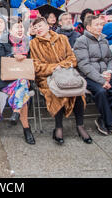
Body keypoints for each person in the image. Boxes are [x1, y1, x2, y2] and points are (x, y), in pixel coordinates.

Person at [29, 17, 92, 145]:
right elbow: (36, 66)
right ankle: (58, 127)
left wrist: (61, 66)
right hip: (46, 77)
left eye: (40, 26)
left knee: (78, 91)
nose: (38, 29)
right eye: (35, 28)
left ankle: (80, 126)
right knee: (55, 92)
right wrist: (54, 68)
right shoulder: (34, 44)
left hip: (67, 73)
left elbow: (72, 58)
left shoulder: (62, 39)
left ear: (48, 26)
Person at [73, 15, 112, 138]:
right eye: (96, 25)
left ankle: (103, 120)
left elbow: (110, 60)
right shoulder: (81, 41)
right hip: (90, 76)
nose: (100, 27)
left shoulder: (104, 40)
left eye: (101, 25)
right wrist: (101, 80)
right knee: (101, 91)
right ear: (88, 27)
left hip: (106, 74)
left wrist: (110, 73)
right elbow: (84, 65)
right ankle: (111, 124)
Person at [0, 17, 35, 145]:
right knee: (22, 89)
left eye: (21, 27)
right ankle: (26, 129)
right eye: (16, 27)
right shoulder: (3, 42)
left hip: (24, 78)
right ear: (10, 30)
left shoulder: (27, 42)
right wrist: (12, 56)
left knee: (22, 82)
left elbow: (32, 62)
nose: (20, 29)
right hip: (7, 80)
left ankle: (16, 113)